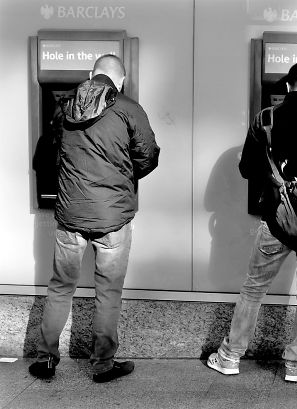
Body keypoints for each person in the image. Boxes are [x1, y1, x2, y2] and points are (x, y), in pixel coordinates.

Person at [206, 61, 297, 382]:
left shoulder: (265, 119)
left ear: (287, 86)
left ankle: (230, 356)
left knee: (254, 288)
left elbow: (247, 168)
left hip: (276, 219)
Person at [28, 54, 160, 383]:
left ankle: (46, 359)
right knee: (108, 292)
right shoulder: (129, 108)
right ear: (121, 81)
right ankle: (103, 365)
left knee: (60, 288)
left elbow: (44, 157)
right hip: (113, 217)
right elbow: (149, 156)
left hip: (71, 214)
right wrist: (123, 175)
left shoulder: (64, 107)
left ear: (91, 74)